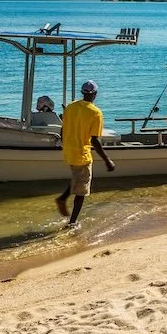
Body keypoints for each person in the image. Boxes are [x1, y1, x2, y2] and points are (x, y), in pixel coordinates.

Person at [55, 80, 115, 226]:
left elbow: (63, 129)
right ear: (95, 94)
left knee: (77, 178)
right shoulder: (96, 113)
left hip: (69, 151)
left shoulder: (70, 107)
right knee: (81, 191)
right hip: (82, 154)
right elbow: (95, 140)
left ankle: (63, 199)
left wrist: (65, 144)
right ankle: (72, 222)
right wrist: (107, 160)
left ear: (82, 93)